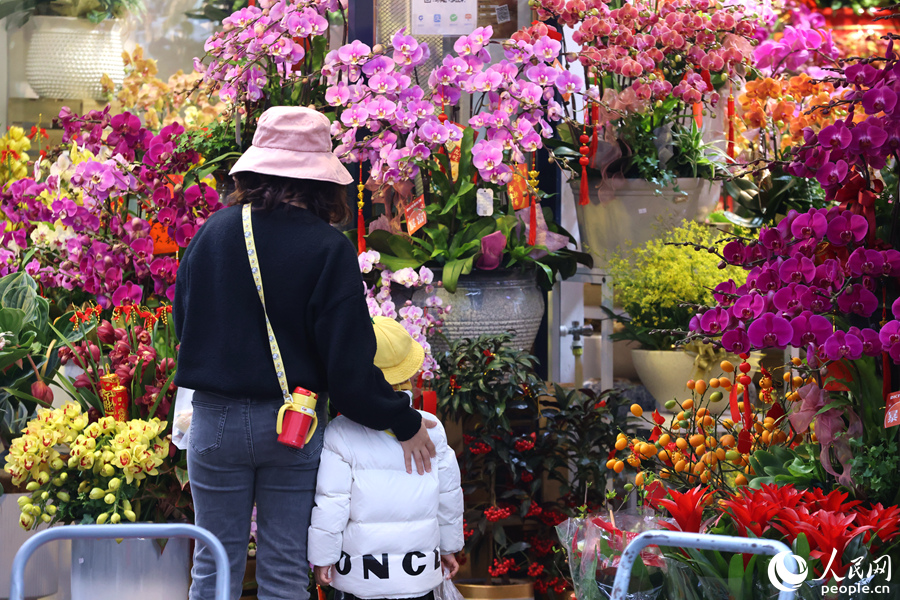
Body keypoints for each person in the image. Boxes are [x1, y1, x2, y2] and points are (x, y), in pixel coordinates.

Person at [173, 106, 437, 600]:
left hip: (215, 421)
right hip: (292, 423)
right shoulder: (327, 247)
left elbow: (184, 325)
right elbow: (348, 368)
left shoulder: (213, 233)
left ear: (254, 169)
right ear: (321, 182)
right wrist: (403, 421)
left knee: (214, 568)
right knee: (284, 570)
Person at [308, 316, 464, 600]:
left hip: (362, 576)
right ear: (410, 375)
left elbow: (332, 503)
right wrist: (449, 547)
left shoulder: (341, 432)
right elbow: (448, 497)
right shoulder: (431, 428)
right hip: (419, 572)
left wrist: (323, 557)